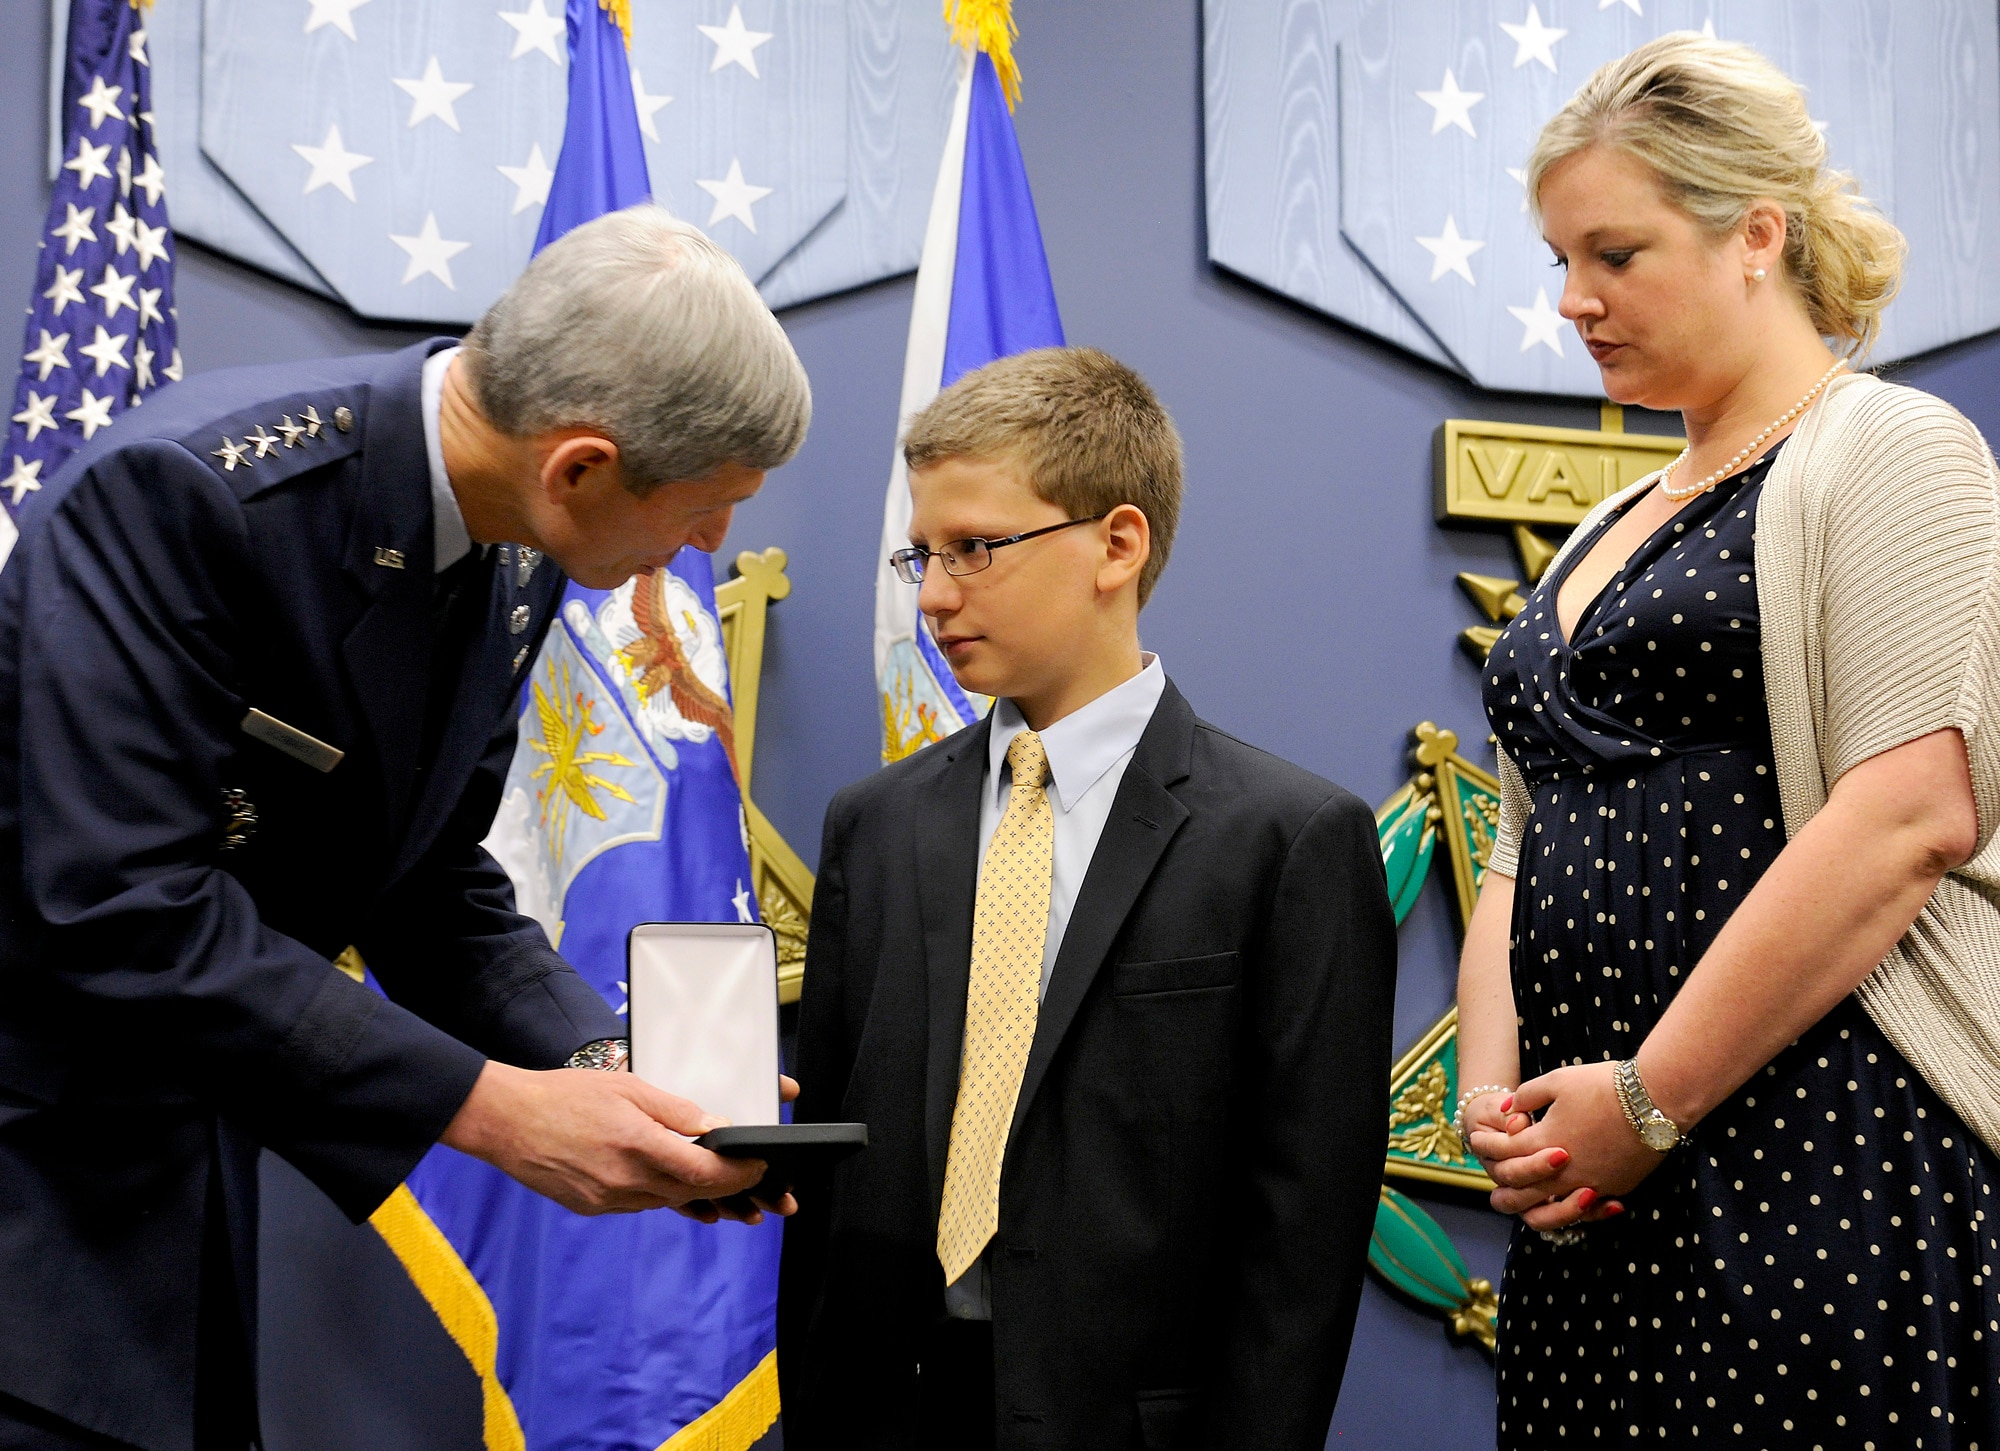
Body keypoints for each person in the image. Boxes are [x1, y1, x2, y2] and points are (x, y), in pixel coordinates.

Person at [0, 205, 811, 1451]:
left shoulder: (517, 544)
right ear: (581, 466)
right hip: (37, 1184)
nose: (711, 545)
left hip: (183, 1170)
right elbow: (125, 906)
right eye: (710, 508)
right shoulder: (190, 497)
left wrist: (600, 1071)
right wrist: (493, 1110)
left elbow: (421, 873)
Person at [1454, 32, 2000, 1445]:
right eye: (1559, 258)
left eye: (1615, 254)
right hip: (1594, 1193)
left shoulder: (1891, 447)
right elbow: (1520, 826)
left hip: (1822, 1152)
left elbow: (1909, 813)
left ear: (1757, 232)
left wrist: (1649, 1094)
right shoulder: (1599, 523)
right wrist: (1497, 1092)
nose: (1575, 299)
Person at [777, 346, 1397, 1449]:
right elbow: (829, 1185)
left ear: (1116, 542)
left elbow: (1300, 1232)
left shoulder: (1285, 838)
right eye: (917, 553)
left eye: (974, 547)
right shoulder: (872, 824)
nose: (931, 593)